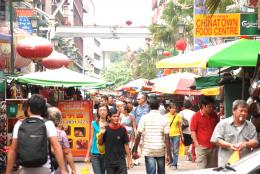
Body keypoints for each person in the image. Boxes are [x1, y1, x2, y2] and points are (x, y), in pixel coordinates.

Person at [5, 94, 67, 174]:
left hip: (25, 169)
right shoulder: (48, 123)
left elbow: (13, 150)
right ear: (44, 109)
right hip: (44, 169)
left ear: (28, 108)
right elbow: (56, 147)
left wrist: (8, 172)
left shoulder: (19, 124)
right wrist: (63, 170)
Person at [211, 100, 258, 167]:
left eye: (246, 111)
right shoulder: (223, 124)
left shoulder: (250, 125)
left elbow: (255, 142)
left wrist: (245, 144)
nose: (244, 113)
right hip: (226, 164)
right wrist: (229, 145)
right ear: (233, 111)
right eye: (241, 110)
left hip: (244, 164)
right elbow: (215, 140)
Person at [132, 97, 170, 174]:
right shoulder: (164, 119)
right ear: (159, 107)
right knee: (161, 172)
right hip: (160, 150)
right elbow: (167, 137)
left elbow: (138, 135)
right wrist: (169, 154)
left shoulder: (144, 118)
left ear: (149, 107)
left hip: (149, 150)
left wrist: (135, 149)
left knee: (151, 172)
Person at [98, 108, 133, 174]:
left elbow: (126, 144)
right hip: (109, 163)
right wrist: (101, 134)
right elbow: (100, 143)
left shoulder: (123, 129)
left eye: (117, 116)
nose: (116, 118)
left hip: (121, 162)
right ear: (109, 117)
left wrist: (129, 159)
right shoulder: (105, 129)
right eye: (114, 116)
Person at [190, 95, 219, 169]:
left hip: (214, 147)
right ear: (203, 106)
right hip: (202, 148)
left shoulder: (214, 115)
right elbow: (193, 131)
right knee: (201, 169)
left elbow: (218, 128)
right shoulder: (196, 116)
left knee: (213, 169)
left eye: (212, 107)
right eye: (209, 107)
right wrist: (197, 145)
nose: (211, 108)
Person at [48, 107, 76, 174]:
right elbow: (67, 152)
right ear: (59, 118)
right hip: (59, 167)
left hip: (44, 166)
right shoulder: (61, 133)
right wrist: (73, 169)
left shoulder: (42, 130)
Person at [86, 104, 109, 174]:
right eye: (101, 110)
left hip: (106, 153)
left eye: (104, 110)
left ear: (107, 112)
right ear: (98, 112)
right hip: (94, 154)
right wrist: (87, 155)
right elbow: (91, 139)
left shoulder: (109, 124)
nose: (102, 112)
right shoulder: (93, 123)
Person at [132, 93, 150, 165]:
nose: (137, 100)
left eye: (139, 99)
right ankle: (137, 159)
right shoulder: (136, 109)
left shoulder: (149, 108)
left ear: (143, 99)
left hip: (147, 129)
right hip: (138, 129)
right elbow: (133, 119)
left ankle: (146, 158)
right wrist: (135, 130)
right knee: (138, 144)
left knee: (146, 144)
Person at [165, 102, 183, 169]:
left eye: (174, 108)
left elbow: (180, 126)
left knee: (175, 150)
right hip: (168, 135)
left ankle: (174, 164)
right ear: (169, 109)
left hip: (176, 134)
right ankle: (171, 160)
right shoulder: (166, 116)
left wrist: (182, 135)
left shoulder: (178, 116)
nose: (174, 110)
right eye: (172, 108)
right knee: (169, 149)